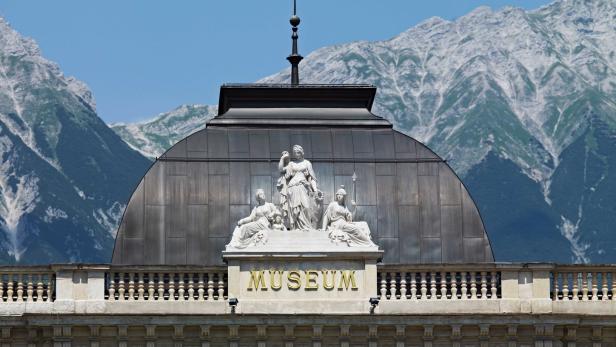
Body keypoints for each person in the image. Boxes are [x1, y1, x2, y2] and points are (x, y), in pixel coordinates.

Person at [278, 145, 319, 230]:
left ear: (301, 152)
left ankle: (307, 227)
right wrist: (282, 158)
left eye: (298, 152)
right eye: (295, 153)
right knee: (294, 210)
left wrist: (315, 190)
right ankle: (296, 228)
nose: (296, 154)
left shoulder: (307, 163)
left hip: (303, 187)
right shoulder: (291, 164)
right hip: (292, 188)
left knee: (306, 207)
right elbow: (281, 170)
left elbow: (312, 178)